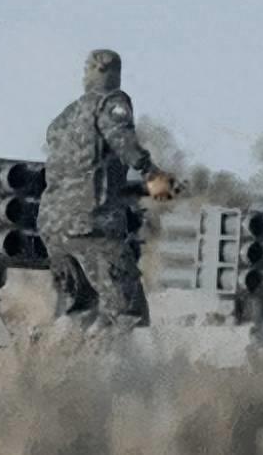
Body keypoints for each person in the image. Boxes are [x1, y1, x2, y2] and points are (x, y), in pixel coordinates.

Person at [38, 49, 178, 336]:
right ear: (115, 73)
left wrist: (134, 190)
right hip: (94, 227)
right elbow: (124, 144)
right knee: (129, 315)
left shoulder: (65, 117)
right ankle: (119, 379)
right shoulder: (111, 102)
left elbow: (84, 171)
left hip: (54, 229)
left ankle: (49, 369)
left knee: (78, 312)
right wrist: (153, 175)